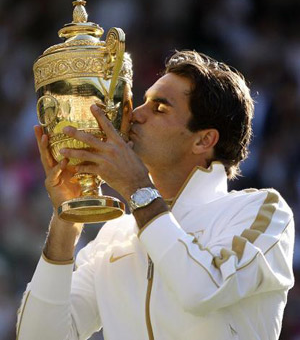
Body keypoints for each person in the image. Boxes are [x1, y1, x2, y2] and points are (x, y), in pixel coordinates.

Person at [16, 50, 294, 340]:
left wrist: (137, 188)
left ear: (203, 140)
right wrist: (67, 217)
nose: (135, 115)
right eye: (144, 101)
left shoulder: (262, 211)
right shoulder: (115, 234)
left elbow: (202, 290)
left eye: (160, 108)